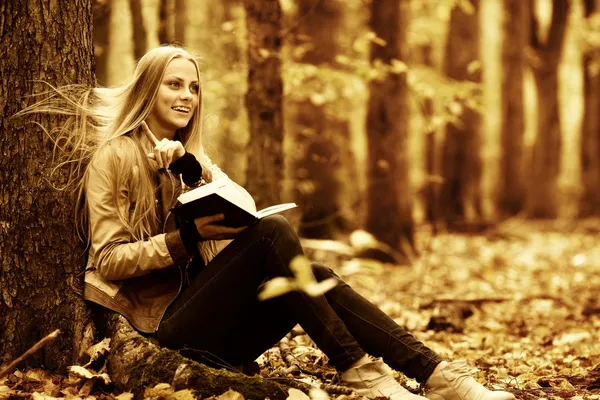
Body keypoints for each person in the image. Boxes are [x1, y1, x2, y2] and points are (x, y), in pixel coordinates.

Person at [21, 45, 515, 400]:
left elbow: (240, 208)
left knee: (315, 276)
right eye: (174, 84)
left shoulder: (191, 159)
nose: (187, 96)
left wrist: (191, 177)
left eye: (193, 87)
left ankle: (438, 376)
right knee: (277, 236)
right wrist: (183, 239)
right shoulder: (113, 158)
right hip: (162, 330)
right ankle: (359, 370)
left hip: (218, 328)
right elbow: (106, 260)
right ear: (149, 89)